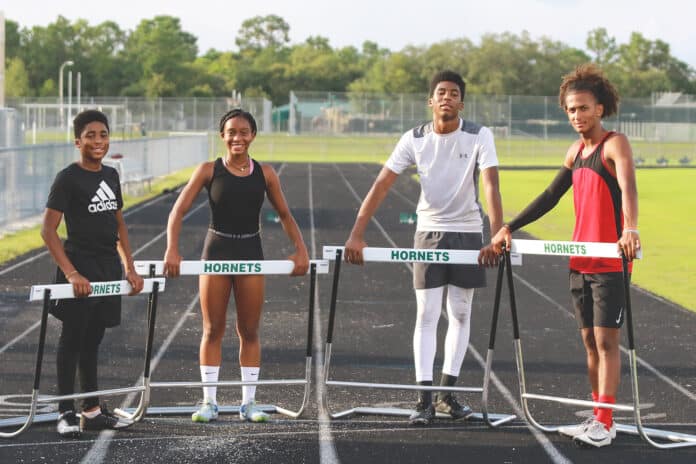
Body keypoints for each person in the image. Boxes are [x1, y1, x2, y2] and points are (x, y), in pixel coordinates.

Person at [485, 63, 640, 448]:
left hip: (609, 261)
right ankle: (597, 416)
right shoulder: (575, 151)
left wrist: (630, 228)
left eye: (583, 108)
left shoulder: (614, 144)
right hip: (580, 260)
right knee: (589, 341)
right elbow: (550, 196)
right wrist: (510, 226)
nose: (576, 116)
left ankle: (605, 422)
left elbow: (629, 187)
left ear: (600, 109)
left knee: (606, 343)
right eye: (570, 110)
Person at [344, 70, 503, 426]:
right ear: (430, 101)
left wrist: (495, 233)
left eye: (454, 93)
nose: (447, 98)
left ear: (462, 102)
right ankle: (424, 400)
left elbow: (491, 185)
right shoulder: (414, 138)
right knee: (427, 314)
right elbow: (381, 185)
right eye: (441, 93)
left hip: (466, 232)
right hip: (429, 232)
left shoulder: (479, 135)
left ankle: (447, 394)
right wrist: (357, 232)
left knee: (461, 313)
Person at [163, 108, 309, 423]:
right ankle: (209, 402)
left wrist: (300, 250)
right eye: (231, 132)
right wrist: (172, 250)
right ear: (222, 136)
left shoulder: (266, 173)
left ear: (253, 135)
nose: (237, 137)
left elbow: (285, 214)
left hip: (250, 253)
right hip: (216, 252)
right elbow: (178, 210)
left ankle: (249, 403)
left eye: (244, 132)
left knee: (250, 330)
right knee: (213, 328)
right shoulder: (207, 170)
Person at [41, 109, 144, 438]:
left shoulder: (111, 175)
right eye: (90, 136)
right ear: (77, 141)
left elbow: (118, 224)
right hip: (79, 265)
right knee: (72, 338)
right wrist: (71, 273)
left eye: (103, 135)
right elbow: (48, 231)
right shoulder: (67, 178)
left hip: (107, 267)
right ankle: (66, 413)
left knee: (93, 340)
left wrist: (129, 265)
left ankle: (92, 411)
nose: (98, 141)